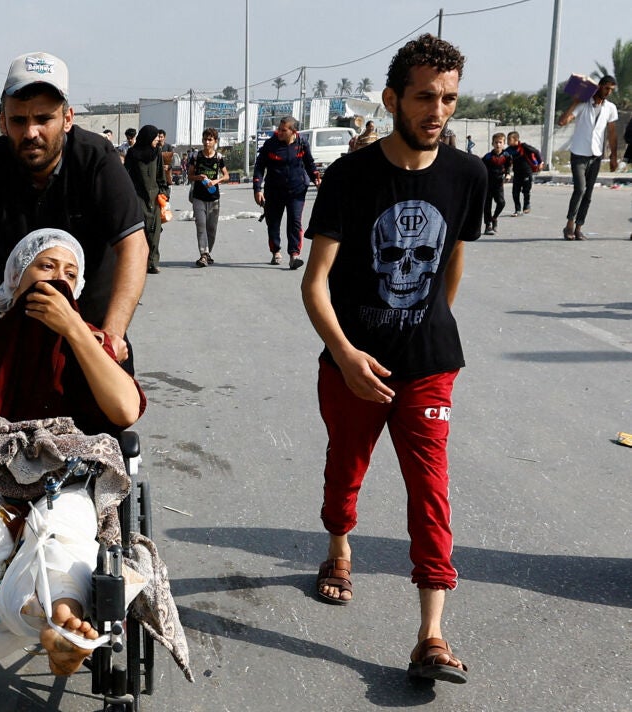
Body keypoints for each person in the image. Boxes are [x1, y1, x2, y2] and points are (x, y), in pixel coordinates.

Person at [299, 33, 484, 685]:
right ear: (392, 99)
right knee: (346, 468)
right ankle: (339, 547)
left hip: (430, 366)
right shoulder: (350, 177)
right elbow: (315, 281)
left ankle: (431, 635)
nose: (438, 111)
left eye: (449, 99)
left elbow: (452, 257)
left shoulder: (468, 175)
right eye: (425, 97)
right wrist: (346, 354)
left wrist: (430, 322)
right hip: (354, 366)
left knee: (430, 490)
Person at [0, 228, 145, 676]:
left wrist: (74, 330)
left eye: (71, 274)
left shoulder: (94, 341)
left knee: (62, 531)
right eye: (46, 267)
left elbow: (124, 411)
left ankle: (57, 615)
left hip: (67, 479)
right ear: (15, 279)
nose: (59, 279)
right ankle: (51, 617)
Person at [0, 51, 147, 374]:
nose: (31, 132)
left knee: (115, 405)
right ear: (2, 121)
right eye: (19, 120)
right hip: (14, 338)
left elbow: (134, 247)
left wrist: (113, 332)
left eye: (43, 118)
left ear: (67, 119)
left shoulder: (97, 160)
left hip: (90, 336)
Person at [253, 116, 320, 270]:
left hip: (297, 190)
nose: (279, 132)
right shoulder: (271, 144)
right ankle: (276, 251)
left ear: (293, 131)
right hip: (274, 191)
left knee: (295, 222)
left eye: (283, 130)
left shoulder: (302, 143)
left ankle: (294, 255)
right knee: (273, 223)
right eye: (279, 129)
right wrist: (257, 189)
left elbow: (309, 164)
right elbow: (259, 167)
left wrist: (317, 179)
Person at [558, 75, 619, 241]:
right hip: (579, 154)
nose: (608, 92)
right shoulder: (583, 105)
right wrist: (575, 101)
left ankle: (579, 227)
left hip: (596, 156)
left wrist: (613, 156)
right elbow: (562, 122)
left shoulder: (610, 108)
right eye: (606, 88)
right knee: (580, 189)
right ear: (598, 86)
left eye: (611, 90)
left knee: (588, 194)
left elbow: (612, 133)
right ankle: (569, 225)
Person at [125, 125, 167, 274]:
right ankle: (141, 262)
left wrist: (164, 193)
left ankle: (153, 262)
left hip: (155, 198)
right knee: (141, 230)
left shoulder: (157, 153)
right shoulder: (132, 153)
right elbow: (126, 175)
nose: (157, 140)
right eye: (155, 138)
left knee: (155, 230)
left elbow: (161, 175)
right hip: (138, 197)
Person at [188, 127, 229, 267]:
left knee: (211, 229)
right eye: (205, 139)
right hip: (198, 197)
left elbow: (226, 176)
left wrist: (216, 181)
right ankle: (203, 254)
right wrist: (198, 177)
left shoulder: (218, 158)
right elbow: (190, 175)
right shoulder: (196, 157)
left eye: (210, 139)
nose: (207, 142)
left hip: (214, 198)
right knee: (201, 225)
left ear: (215, 141)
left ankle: (207, 253)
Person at [481, 132, 511, 235]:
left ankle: (494, 218)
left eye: (500, 142)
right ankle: (488, 225)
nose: (498, 144)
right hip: (488, 184)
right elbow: (481, 168)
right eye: (496, 142)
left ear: (504, 143)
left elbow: (508, 166)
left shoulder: (507, 156)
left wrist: (508, 174)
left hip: (499, 183)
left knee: (501, 203)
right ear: (492, 144)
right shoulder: (488, 157)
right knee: (487, 205)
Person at [504, 131, 540, 216]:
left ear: (516, 139)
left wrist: (540, 162)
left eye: (509, 139)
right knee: (515, 192)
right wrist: (507, 173)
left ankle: (526, 205)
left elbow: (536, 151)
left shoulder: (524, 146)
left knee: (526, 190)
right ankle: (517, 210)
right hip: (517, 173)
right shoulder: (508, 150)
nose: (507, 141)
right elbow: (507, 163)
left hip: (527, 172)